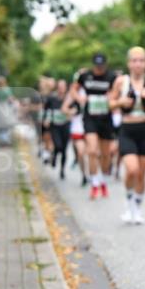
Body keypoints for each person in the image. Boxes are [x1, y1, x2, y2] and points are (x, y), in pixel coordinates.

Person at [110, 46, 145, 224]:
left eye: (141, 60)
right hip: (127, 129)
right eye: (134, 60)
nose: (138, 64)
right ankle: (128, 202)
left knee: (141, 174)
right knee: (132, 169)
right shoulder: (120, 82)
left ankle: (137, 208)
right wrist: (120, 102)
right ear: (129, 63)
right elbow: (109, 104)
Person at [71, 54, 118, 199]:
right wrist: (80, 99)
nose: (99, 68)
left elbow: (118, 93)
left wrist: (112, 98)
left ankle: (102, 181)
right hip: (90, 117)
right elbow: (73, 90)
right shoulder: (85, 76)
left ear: (105, 64)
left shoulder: (112, 77)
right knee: (92, 151)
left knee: (105, 155)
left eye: (102, 66)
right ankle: (94, 184)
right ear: (93, 65)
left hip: (105, 119)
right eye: (97, 66)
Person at [62, 78, 88, 187]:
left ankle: (95, 174)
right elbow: (64, 109)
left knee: (93, 153)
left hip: (93, 126)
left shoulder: (93, 91)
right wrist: (71, 111)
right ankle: (84, 175)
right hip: (78, 127)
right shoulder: (73, 94)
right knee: (81, 153)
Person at [47, 79, 71, 179]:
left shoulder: (69, 99)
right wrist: (47, 119)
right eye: (60, 86)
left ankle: (62, 170)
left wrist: (71, 112)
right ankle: (54, 155)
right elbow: (47, 109)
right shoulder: (52, 98)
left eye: (63, 86)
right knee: (58, 145)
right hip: (55, 125)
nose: (61, 88)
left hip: (65, 125)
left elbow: (76, 109)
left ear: (66, 88)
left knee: (64, 149)